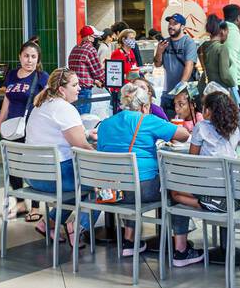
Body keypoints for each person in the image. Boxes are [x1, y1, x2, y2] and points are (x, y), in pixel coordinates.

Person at [95, 82, 197, 263]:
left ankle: (129, 241)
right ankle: (181, 250)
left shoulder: (105, 124)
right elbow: (183, 135)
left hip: (113, 191)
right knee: (178, 186)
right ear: (144, 106)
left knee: (130, 178)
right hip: (143, 189)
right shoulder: (146, 120)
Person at [24, 68, 94, 245]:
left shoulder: (42, 105)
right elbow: (82, 146)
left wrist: (85, 132)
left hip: (33, 175)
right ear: (62, 90)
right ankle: (78, 227)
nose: (79, 88)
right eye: (75, 85)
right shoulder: (65, 108)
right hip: (53, 177)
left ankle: (49, 223)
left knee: (77, 182)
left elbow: (58, 134)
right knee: (100, 182)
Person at [0, 40, 47, 221]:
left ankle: (35, 206)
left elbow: (48, 103)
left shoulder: (41, 77)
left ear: (38, 59)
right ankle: (19, 202)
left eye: (33, 57)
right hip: (12, 126)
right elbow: (8, 98)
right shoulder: (11, 75)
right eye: (26, 56)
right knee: (13, 166)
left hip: (32, 128)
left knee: (32, 167)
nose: (29, 60)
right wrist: (1, 120)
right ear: (20, 56)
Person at [154, 13, 196, 114]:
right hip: (167, 93)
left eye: (175, 23)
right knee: (166, 124)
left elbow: (189, 66)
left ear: (182, 26)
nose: (171, 26)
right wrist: (159, 51)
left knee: (186, 126)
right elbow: (157, 64)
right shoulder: (165, 43)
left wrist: (179, 91)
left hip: (186, 94)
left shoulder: (188, 42)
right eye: (170, 23)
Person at [66, 25, 104, 116]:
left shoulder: (75, 48)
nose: (94, 39)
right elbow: (98, 71)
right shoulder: (90, 49)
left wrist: (94, 81)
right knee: (83, 118)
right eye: (93, 37)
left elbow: (80, 70)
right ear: (88, 37)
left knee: (74, 117)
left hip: (73, 87)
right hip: (84, 90)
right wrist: (104, 81)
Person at [220, 4, 240, 108]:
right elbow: (230, 61)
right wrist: (233, 89)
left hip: (229, 84)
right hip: (234, 85)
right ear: (237, 18)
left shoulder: (222, 30)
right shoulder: (233, 34)